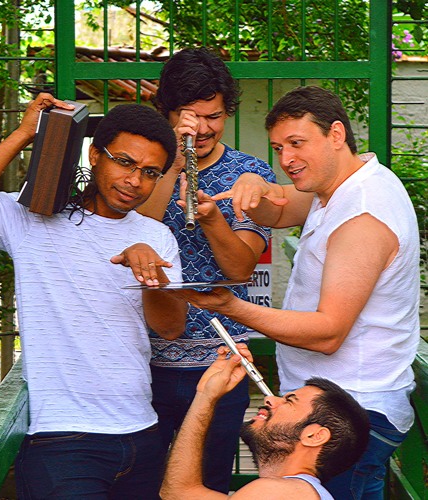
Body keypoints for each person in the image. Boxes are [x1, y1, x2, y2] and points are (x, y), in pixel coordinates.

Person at [168, 85, 420, 499]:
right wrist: (252, 185)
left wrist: (232, 306)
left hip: (351, 415)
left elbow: (328, 333)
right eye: (278, 148)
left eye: (297, 143)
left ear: (336, 134)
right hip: (337, 405)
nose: (286, 159)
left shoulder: (362, 216)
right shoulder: (345, 182)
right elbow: (280, 207)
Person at [0, 94, 189, 499]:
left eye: (149, 172)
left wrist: (150, 275)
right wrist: (24, 133)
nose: (134, 181)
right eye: (124, 162)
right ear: (95, 155)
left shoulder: (156, 236)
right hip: (63, 440)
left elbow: (172, 327)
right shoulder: (33, 219)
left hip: (142, 432)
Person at [137, 46, 276, 493]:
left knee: (209, 485)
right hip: (139, 362)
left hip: (220, 363)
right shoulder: (140, 170)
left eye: (213, 116)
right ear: (166, 112)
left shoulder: (250, 172)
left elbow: (240, 267)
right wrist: (174, 165)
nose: (201, 128)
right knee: (140, 485)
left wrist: (214, 219)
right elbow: (128, 234)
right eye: (189, 117)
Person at [160, 344, 370, 499]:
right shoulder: (293, 492)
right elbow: (178, 493)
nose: (270, 400)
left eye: (289, 401)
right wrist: (205, 395)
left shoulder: (280, 492)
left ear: (314, 436)